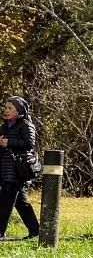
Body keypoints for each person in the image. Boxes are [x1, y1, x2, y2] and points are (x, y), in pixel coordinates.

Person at [0, 97, 40, 240]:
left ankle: (0, 233)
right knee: (21, 203)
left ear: (19, 110)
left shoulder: (25, 124)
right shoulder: (5, 126)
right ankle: (36, 231)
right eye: (6, 108)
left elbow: (30, 143)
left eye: (10, 108)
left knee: (4, 202)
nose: (7, 111)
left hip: (17, 170)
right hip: (5, 169)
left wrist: (9, 142)